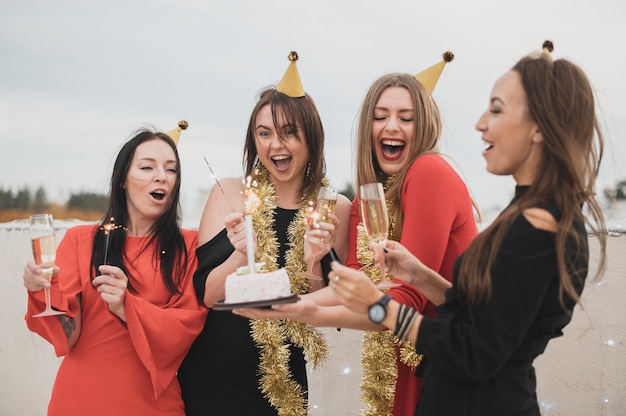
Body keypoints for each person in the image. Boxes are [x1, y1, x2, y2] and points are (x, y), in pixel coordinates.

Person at [330, 41, 607, 416]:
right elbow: (479, 315)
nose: (480, 123)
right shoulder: (529, 211)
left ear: (539, 127)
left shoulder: (539, 227)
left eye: (495, 109)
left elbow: (473, 352)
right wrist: (420, 275)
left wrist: (379, 308)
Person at [235, 53, 479, 416]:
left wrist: (307, 312)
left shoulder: (429, 171)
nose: (390, 127)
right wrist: (288, 304)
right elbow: (356, 283)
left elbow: (404, 297)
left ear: (425, 126)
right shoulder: (372, 196)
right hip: (408, 362)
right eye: (380, 117)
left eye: (405, 118)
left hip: (450, 357)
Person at [177, 52, 352, 416]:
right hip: (211, 374)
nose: (276, 144)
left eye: (290, 132)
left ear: (312, 137)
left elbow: (322, 303)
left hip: (284, 381)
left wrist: (313, 261)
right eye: (265, 133)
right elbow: (208, 295)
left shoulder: (334, 207)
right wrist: (241, 253)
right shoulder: (229, 194)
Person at [22, 124, 208, 416]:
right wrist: (39, 291)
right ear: (122, 179)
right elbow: (68, 336)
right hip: (80, 401)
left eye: (171, 170)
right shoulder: (81, 240)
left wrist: (126, 305)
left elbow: (184, 331)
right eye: (147, 167)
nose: (161, 176)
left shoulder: (189, 246)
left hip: (155, 406)